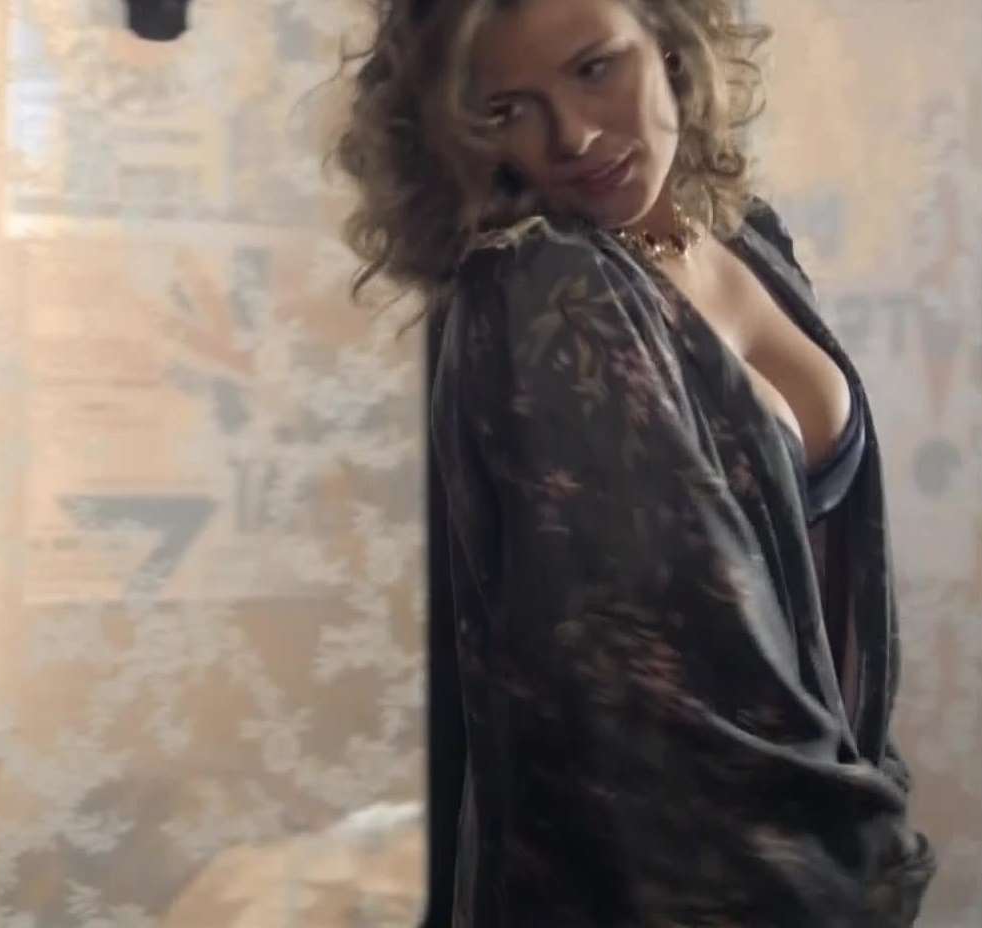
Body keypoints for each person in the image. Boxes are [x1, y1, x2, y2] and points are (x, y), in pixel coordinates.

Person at [331, 0, 937, 924]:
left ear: (669, 38)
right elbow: (679, 724)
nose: (571, 136)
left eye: (593, 68)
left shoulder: (744, 237)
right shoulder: (543, 289)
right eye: (509, 108)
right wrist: (872, 868)